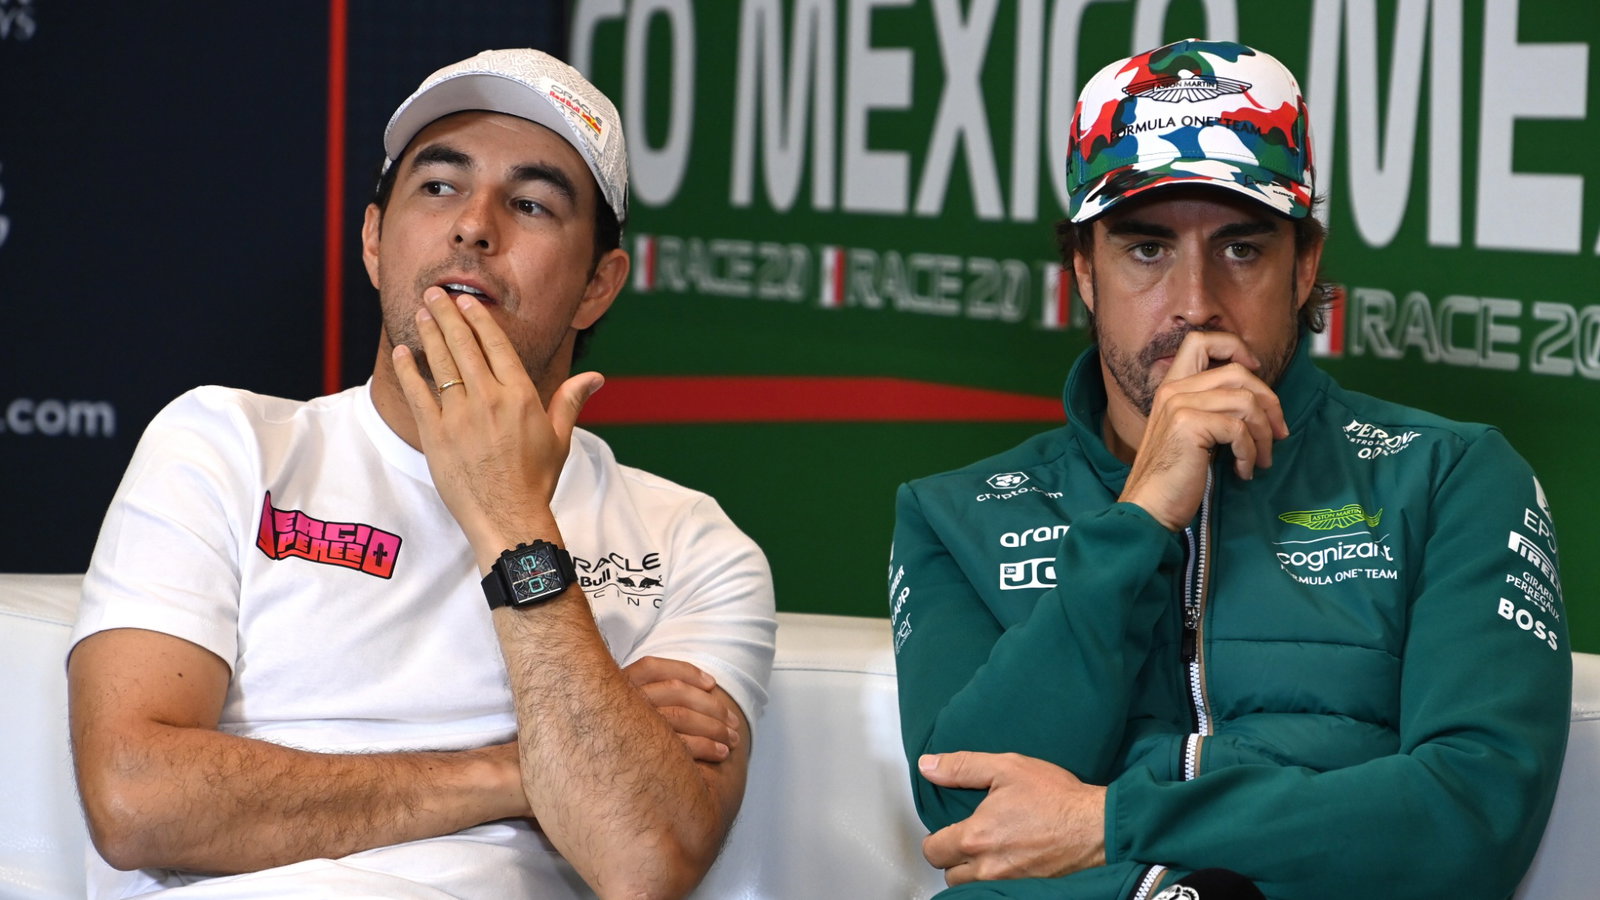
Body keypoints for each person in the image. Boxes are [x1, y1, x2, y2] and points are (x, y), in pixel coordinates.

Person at [67, 48, 776, 900]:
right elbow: (135, 801)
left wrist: (512, 520)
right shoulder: (223, 444)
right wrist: (516, 771)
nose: (474, 226)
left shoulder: (693, 544)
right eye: (439, 186)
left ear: (597, 285)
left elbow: (645, 861)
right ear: (374, 239)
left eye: (531, 203)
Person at [889, 38, 1569, 900]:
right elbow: (965, 817)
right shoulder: (953, 514)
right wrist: (1137, 522)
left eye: (1242, 249)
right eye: (1147, 250)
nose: (1196, 303)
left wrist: (1111, 823)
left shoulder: (1448, 478)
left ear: (1304, 267)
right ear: (1084, 271)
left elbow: (1473, 818)